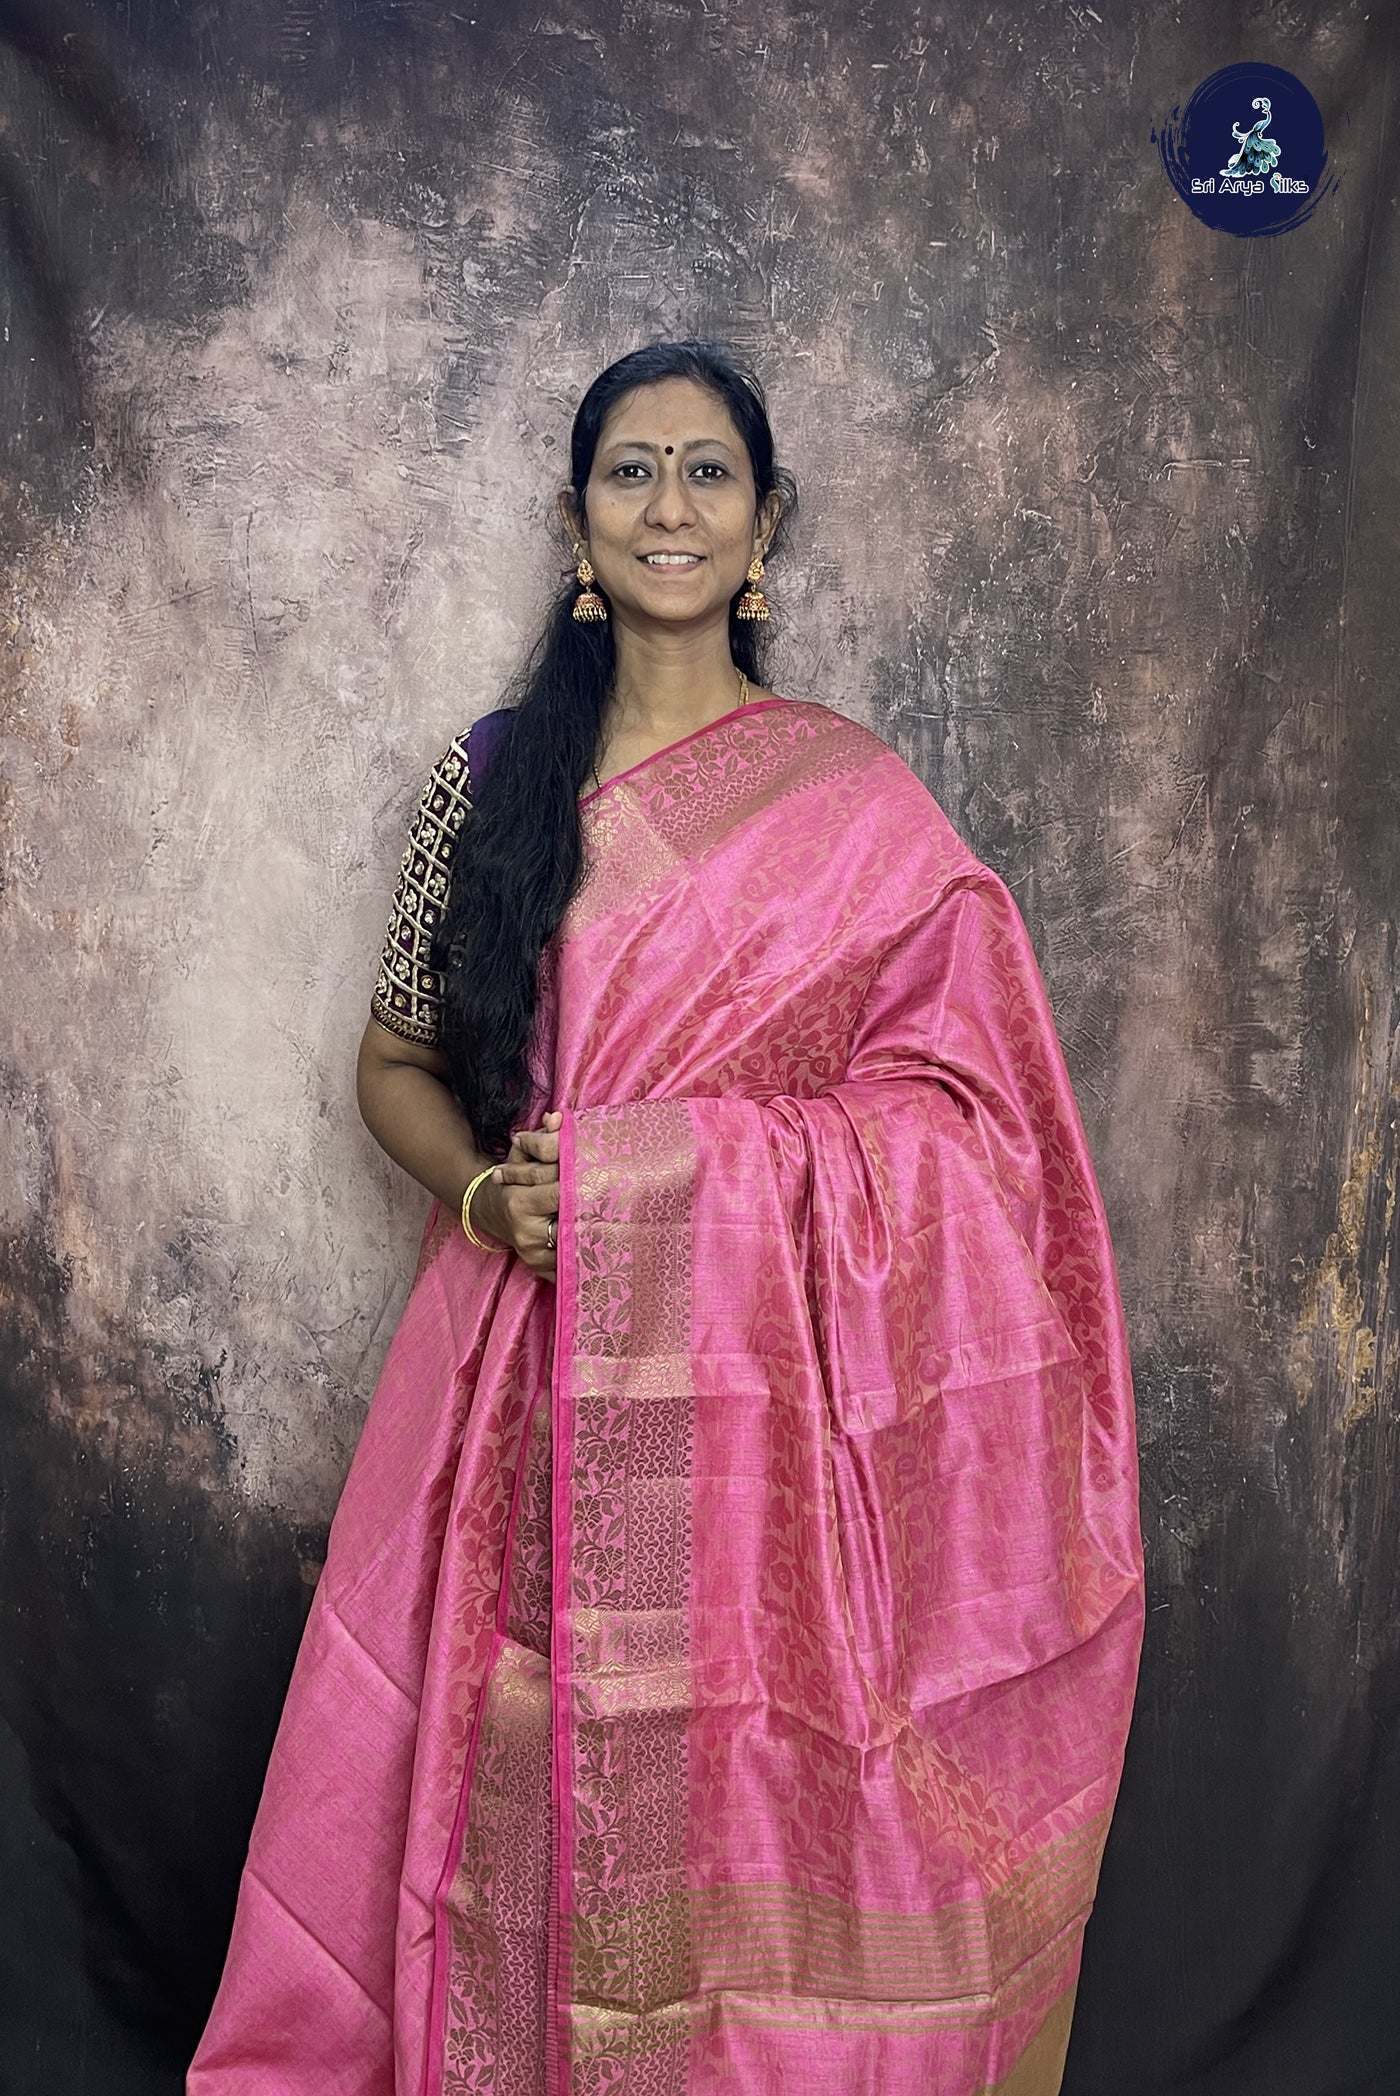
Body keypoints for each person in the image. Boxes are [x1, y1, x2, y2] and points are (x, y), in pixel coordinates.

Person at [188, 340, 1144, 2096]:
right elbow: (391, 1062)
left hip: (762, 1420)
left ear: (765, 523)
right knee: (534, 1767)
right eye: (632, 472)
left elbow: (973, 1128)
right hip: (531, 1381)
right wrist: (494, 1196)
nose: (671, 507)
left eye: (709, 472)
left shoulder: (860, 804)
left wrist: (686, 1187)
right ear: (578, 524)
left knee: (729, 1783)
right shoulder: (493, 786)